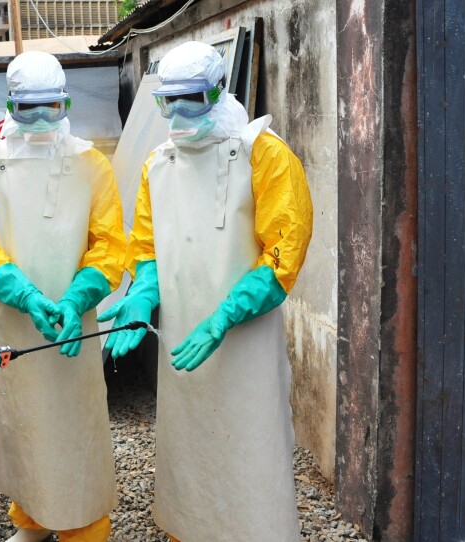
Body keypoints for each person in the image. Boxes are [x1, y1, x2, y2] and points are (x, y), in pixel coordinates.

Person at [98, 41, 313, 541]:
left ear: (217, 91)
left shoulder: (263, 153)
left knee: (250, 446)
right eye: (166, 101)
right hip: (182, 340)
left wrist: (225, 315)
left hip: (244, 341)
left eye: (188, 99)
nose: (175, 113)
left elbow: (284, 249)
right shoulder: (159, 163)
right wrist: (144, 290)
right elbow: (147, 243)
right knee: (189, 446)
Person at [0, 51, 125, 542]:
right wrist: (24, 294)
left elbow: (109, 244)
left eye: (53, 107)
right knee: (22, 422)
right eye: (30, 108)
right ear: (10, 104)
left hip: (77, 323)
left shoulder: (90, 163)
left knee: (77, 422)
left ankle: (84, 524)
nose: (43, 120)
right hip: (15, 320)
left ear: (66, 102)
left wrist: (75, 299)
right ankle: (31, 518)